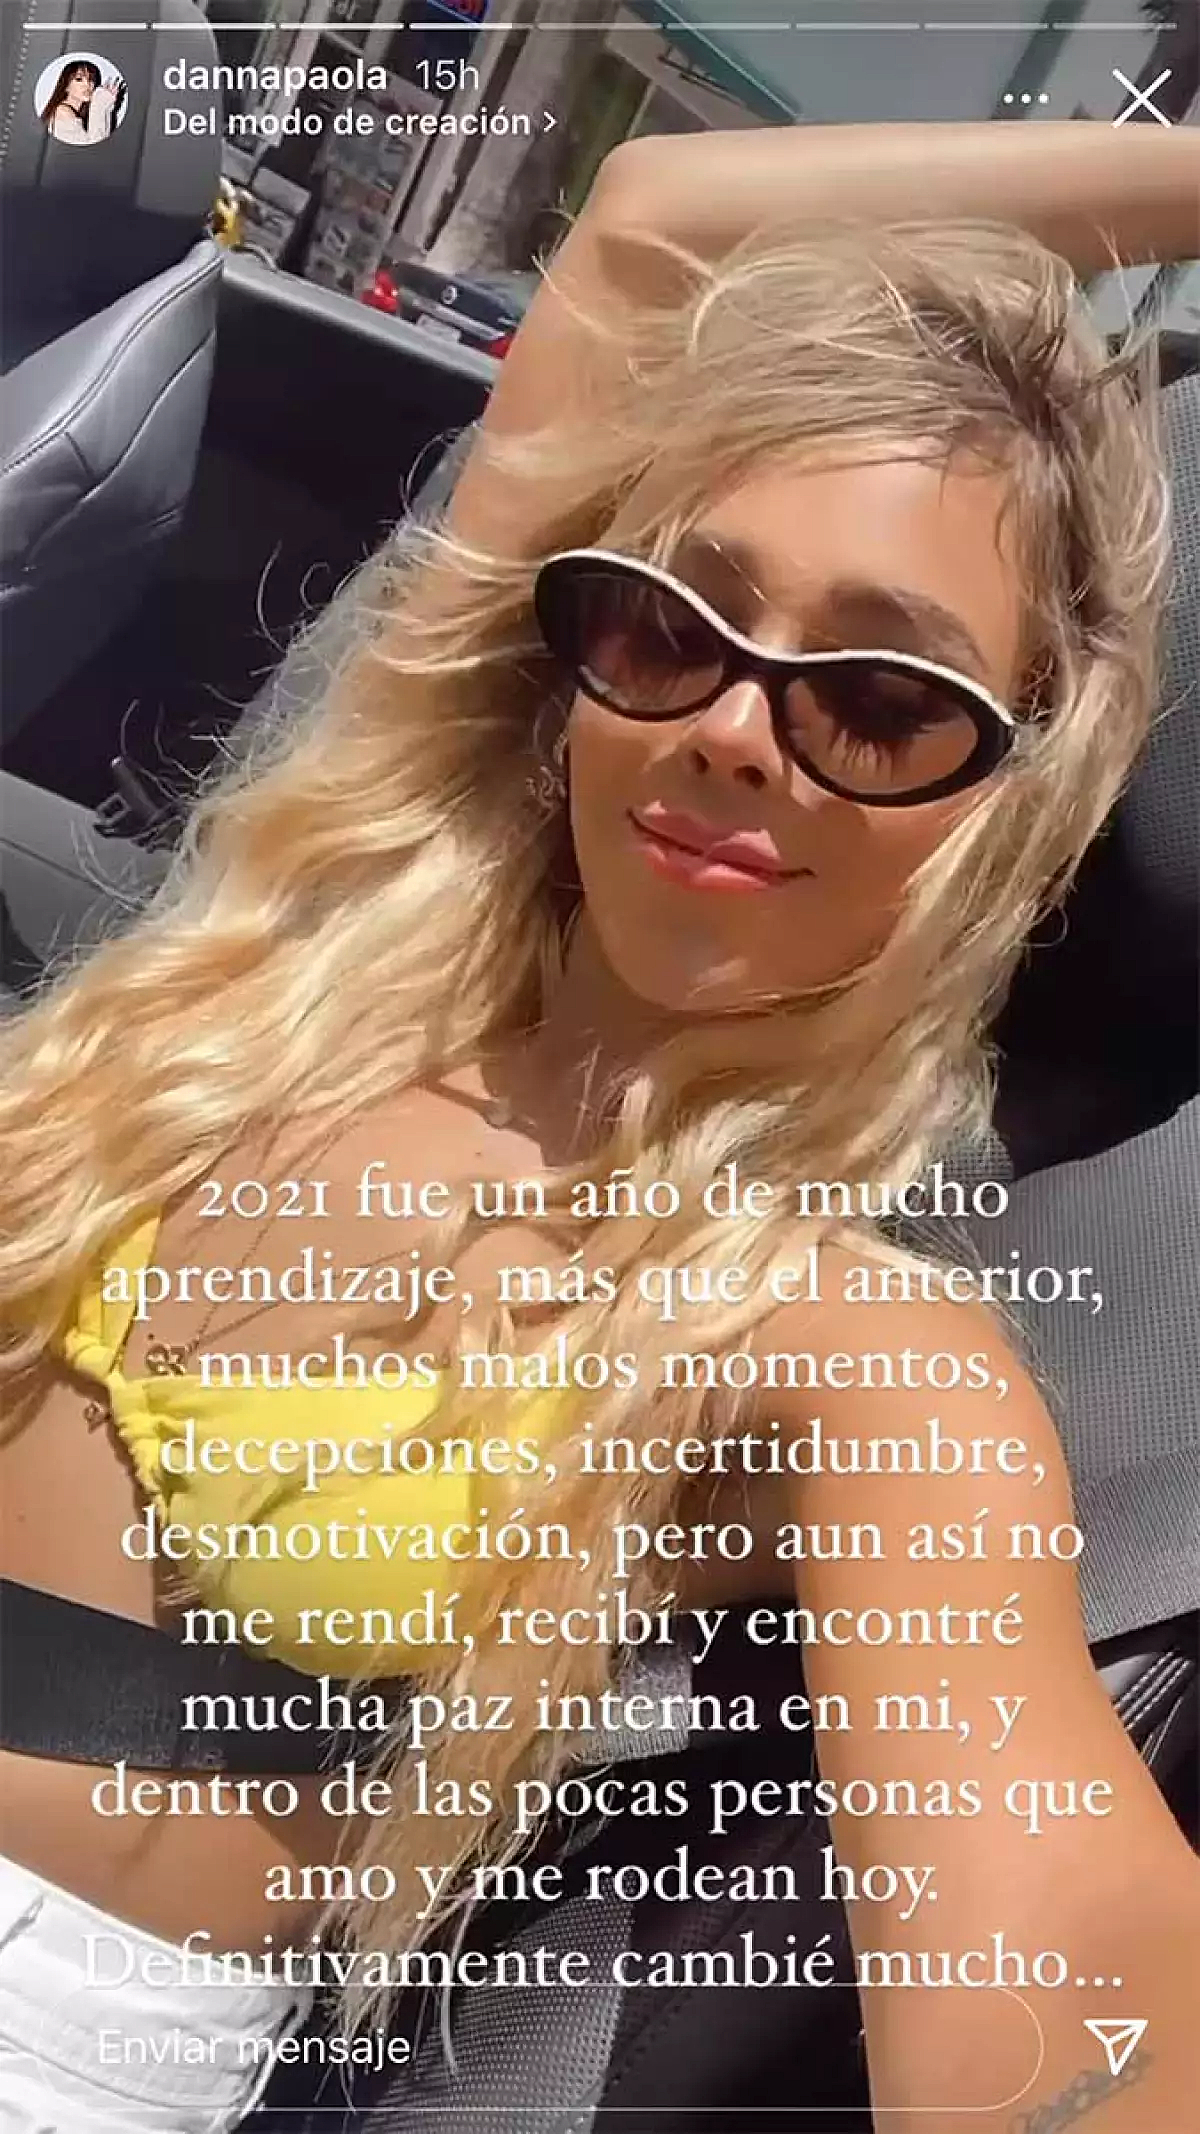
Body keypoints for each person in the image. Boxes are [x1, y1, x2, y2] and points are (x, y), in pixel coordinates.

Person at [2, 120, 1199, 2133]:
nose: (734, 723)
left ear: (1008, 798)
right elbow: (648, 227)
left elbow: (1075, 1999)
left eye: (879, 700)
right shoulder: (327, 920)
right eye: (673, 624)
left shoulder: (847, 1349)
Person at [40, 59, 122, 146]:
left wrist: (107, 107)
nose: (87, 84)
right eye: (79, 79)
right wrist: (99, 104)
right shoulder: (63, 112)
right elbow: (94, 147)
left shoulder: (78, 113)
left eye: (91, 79)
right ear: (66, 86)